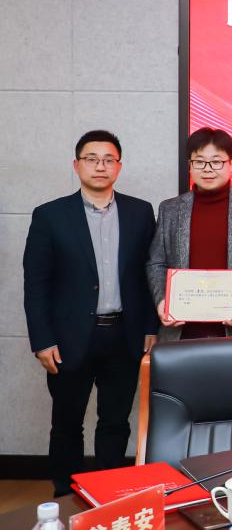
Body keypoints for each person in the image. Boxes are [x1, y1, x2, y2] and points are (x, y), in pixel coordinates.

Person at [23, 130, 158, 496]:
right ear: (77, 165)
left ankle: (109, 495)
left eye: (108, 160)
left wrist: (150, 326)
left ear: (119, 167)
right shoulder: (50, 215)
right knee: (67, 424)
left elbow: (150, 275)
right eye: (92, 159)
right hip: (68, 338)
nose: (101, 166)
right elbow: (36, 283)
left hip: (124, 334)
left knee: (115, 423)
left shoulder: (140, 212)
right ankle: (66, 495)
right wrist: (42, 340)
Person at [146, 127, 232, 338]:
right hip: (180, 331)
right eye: (199, 162)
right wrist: (162, 300)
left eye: (216, 161)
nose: (207, 169)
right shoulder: (170, 209)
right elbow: (156, 262)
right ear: (190, 165)